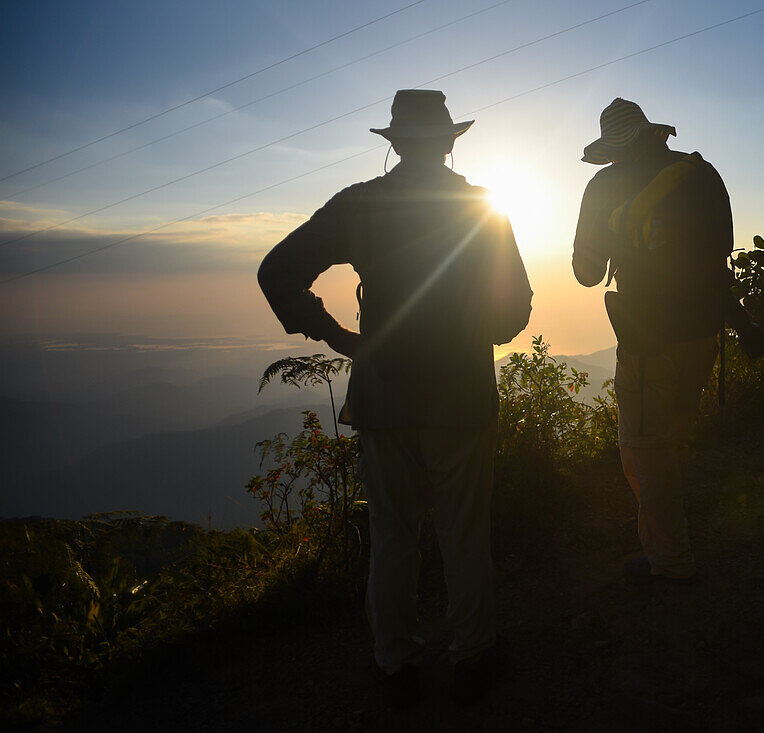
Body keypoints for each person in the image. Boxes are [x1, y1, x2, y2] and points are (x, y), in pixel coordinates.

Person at [257, 89, 532, 704]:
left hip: (382, 396)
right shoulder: (482, 209)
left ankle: (395, 662)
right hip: (460, 398)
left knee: (391, 534)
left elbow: (275, 271)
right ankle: (474, 655)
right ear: (450, 142)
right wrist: (472, 340)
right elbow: (516, 307)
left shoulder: (360, 205)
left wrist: (337, 335)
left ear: (396, 144)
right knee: (463, 532)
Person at [571, 97, 735, 583]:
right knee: (675, 438)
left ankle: (670, 560)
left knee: (646, 448)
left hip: (649, 340)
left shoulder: (604, 184)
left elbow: (585, 273)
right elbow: (722, 249)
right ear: (650, 132)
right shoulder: (701, 174)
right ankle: (675, 538)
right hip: (705, 330)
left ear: (612, 146)